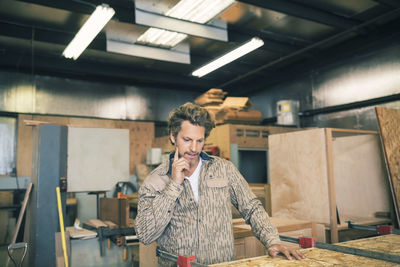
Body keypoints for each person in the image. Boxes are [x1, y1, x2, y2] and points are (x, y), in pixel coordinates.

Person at [134, 102, 305, 266]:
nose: (194, 148)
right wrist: (173, 186)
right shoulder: (155, 180)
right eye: (187, 140)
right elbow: (145, 234)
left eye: (199, 141)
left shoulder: (224, 169)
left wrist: (272, 240)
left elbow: (252, 208)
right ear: (173, 136)